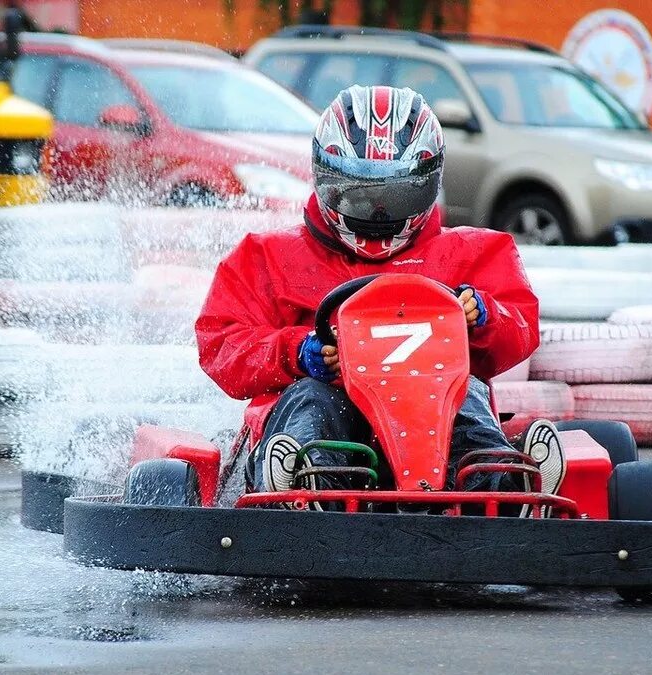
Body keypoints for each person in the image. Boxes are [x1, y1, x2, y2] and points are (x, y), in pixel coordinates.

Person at [195, 85, 564, 508]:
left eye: (396, 195)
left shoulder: (473, 253)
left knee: (466, 395)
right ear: (325, 178)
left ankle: (500, 488)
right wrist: (297, 352)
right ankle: (302, 484)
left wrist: (483, 316)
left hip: (433, 410)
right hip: (325, 408)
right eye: (358, 192)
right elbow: (220, 341)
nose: (376, 213)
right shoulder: (267, 256)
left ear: (427, 184)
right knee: (314, 400)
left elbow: (521, 323)